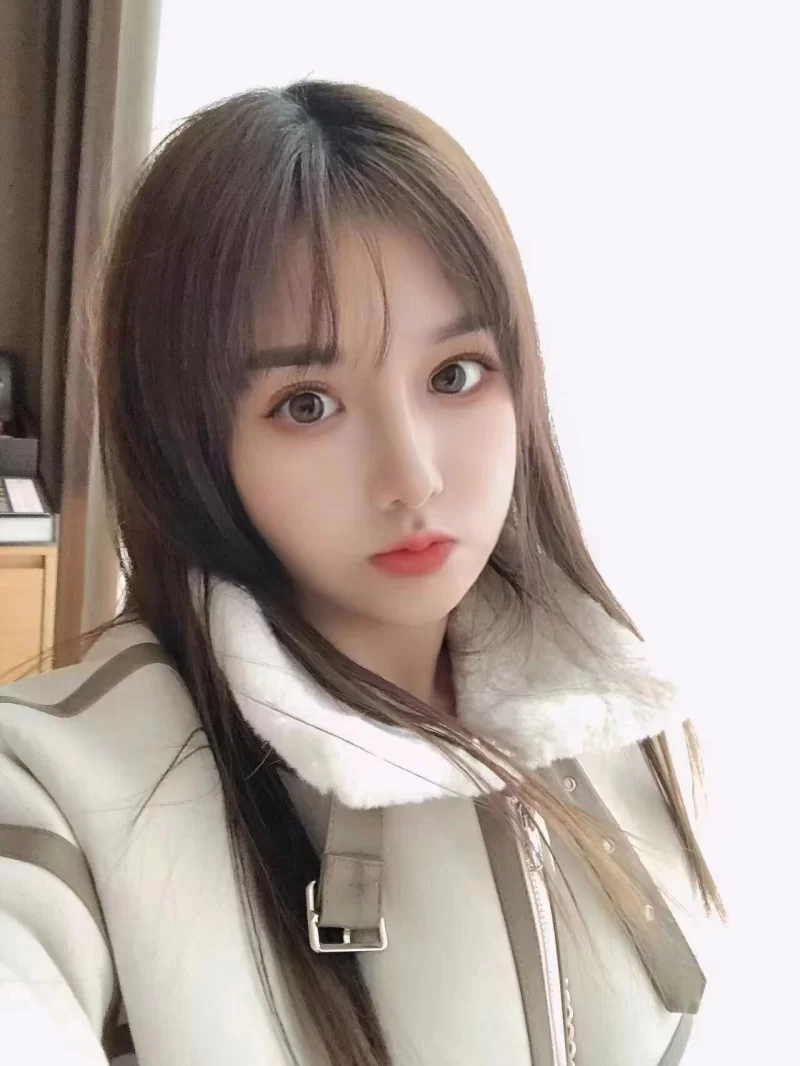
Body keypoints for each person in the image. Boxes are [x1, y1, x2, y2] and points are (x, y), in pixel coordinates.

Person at [0, 82, 724, 1066]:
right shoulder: (68, 784)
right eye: (307, 403)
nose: (412, 477)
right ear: (187, 441)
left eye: (454, 375)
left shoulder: (615, 722)